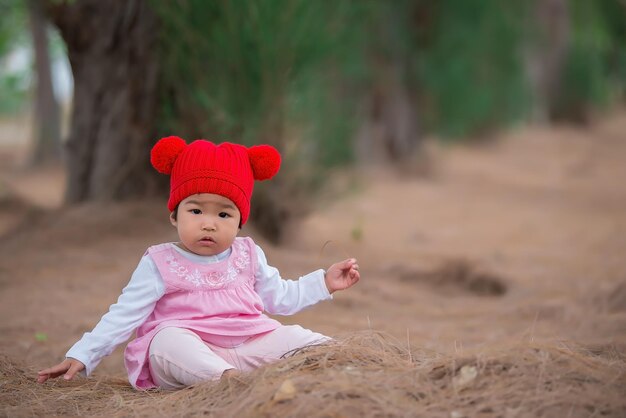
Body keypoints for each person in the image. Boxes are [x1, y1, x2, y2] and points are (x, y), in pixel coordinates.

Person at [37, 136, 360, 390]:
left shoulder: (248, 254)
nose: (209, 223)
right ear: (174, 215)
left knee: (302, 339)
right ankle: (227, 382)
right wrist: (82, 354)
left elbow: (280, 298)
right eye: (196, 211)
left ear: (240, 221)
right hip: (188, 355)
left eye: (223, 214)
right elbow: (123, 315)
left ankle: (348, 367)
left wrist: (324, 282)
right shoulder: (160, 261)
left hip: (249, 344)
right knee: (167, 342)